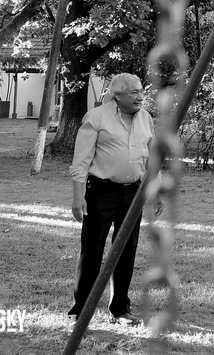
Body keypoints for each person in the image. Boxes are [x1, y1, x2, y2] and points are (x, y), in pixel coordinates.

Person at [68, 73, 161, 325]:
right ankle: (81, 310)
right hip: (101, 192)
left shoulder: (146, 119)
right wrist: (78, 198)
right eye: (134, 93)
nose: (140, 96)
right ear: (116, 96)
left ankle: (120, 309)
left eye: (141, 91)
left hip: (134, 193)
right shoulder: (96, 117)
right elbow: (81, 161)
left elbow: (151, 158)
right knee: (93, 250)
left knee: (125, 251)